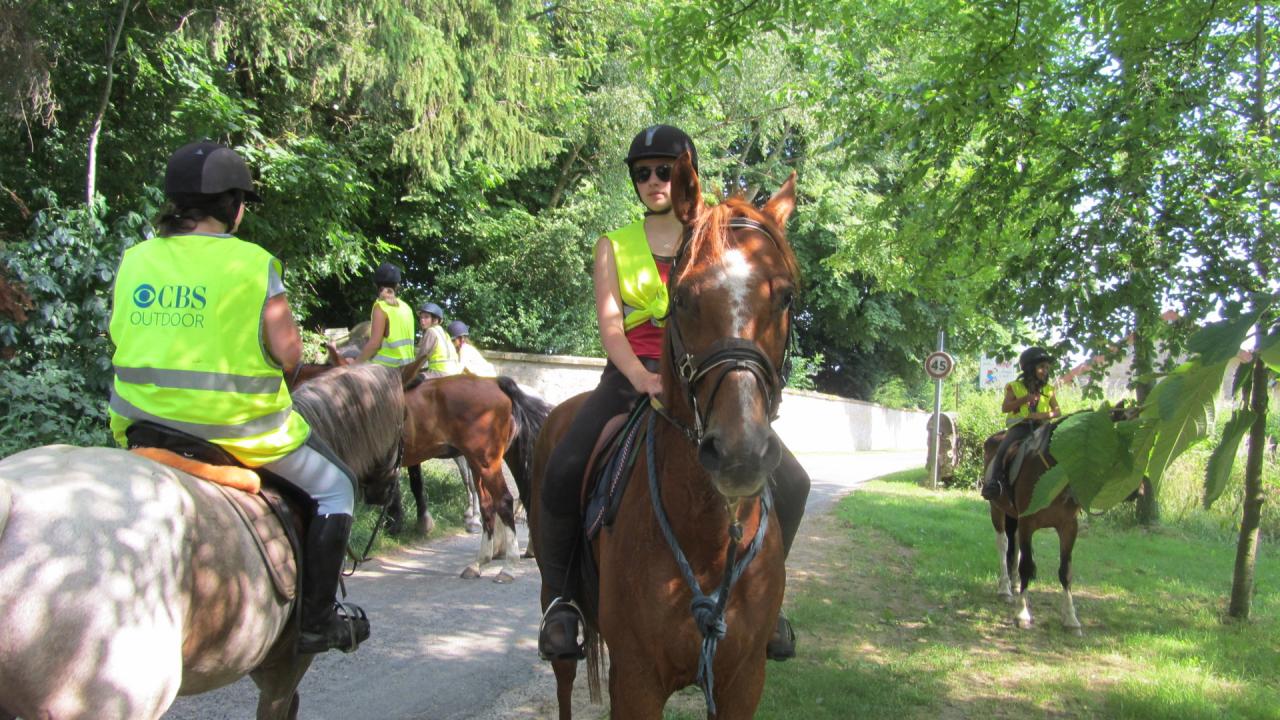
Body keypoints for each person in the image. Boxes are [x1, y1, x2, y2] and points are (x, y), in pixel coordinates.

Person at [537, 124, 811, 662]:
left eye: (666, 170)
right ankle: (562, 599)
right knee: (565, 463)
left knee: (795, 481)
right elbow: (612, 327)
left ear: (685, 175)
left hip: (699, 377)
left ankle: (768, 598)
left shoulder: (711, 235)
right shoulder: (613, 245)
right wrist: (640, 378)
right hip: (633, 373)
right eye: (643, 173)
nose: (655, 181)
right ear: (634, 181)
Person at [108, 140, 369, 654]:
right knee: (337, 488)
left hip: (141, 426)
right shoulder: (252, 263)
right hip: (240, 432)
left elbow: (121, 337)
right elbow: (288, 353)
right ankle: (317, 619)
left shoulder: (135, 259)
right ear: (234, 206)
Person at [980, 346, 1062, 500]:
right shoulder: (1014, 387)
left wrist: (1041, 415)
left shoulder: (1049, 389)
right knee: (1003, 449)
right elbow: (1005, 408)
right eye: (1042, 367)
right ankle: (995, 483)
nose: (1045, 370)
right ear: (1031, 368)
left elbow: (1057, 411)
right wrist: (1024, 400)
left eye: (1047, 367)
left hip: (1043, 427)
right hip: (1020, 427)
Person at [355, 261, 415, 367]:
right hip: (408, 367)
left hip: (387, 368)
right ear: (397, 286)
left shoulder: (381, 307)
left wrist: (353, 365)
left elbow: (374, 344)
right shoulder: (406, 307)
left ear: (376, 285)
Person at [416, 301, 461, 377]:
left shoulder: (430, 331)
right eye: (421, 317)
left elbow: (421, 357)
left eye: (426, 317)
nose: (422, 320)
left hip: (439, 373)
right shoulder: (445, 334)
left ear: (435, 320)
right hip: (454, 373)